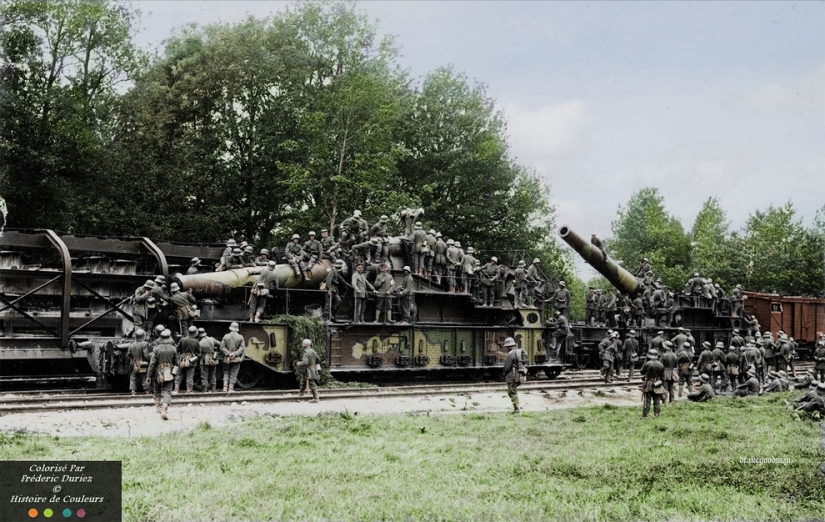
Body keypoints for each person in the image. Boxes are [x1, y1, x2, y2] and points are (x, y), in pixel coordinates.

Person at [145, 329, 176, 420]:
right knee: (167, 391)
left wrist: (148, 376)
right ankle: (164, 408)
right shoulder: (173, 349)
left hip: (158, 372)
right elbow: (177, 364)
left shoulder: (156, 349)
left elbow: (152, 364)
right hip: (168, 372)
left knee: (157, 389)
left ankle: (158, 407)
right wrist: (173, 374)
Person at [502, 337, 527, 413]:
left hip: (512, 375)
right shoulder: (519, 352)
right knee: (513, 391)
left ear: (509, 346)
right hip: (519, 375)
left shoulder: (511, 354)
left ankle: (517, 409)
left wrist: (504, 374)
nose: (506, 348)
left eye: (506, 347)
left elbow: (507, 367)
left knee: (512, 391)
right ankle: (516, 407)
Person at [174, 325, 201, 394]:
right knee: (190, 376)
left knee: (179, 375)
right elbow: (199, 353)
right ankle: (189, 390)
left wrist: (179, 357)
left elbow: (177, 349)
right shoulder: (196, 341)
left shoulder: (182, 339)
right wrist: (195, 358)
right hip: (191, 360)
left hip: (182, 359)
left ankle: (176, 390)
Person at [220, 322, 245, 393]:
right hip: (236, 358)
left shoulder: (226, 336)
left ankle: (224, 388)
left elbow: (222, 347)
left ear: (230, 328)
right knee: (233, 373)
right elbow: (242, 348)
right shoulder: (240, 337)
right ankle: (231, 389)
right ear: (237, 329)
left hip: (227, 358)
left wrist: (229, 354)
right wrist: (235, 354)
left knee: (226, 372)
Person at [640, 349, 665, 418]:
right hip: (657, 383)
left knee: (647, 401)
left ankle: (645, 415)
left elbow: (641, 372)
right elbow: (663, 377)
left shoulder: (647, 364)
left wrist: (645, 362)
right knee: (657, 400)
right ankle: (657, 414)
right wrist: (661, 385)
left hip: (648, 384)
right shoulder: (661, 365)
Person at [295, 338, 320, 403]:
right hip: (312, 369)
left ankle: (316, 398)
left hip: (308, 370)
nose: (302, 344)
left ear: (305, 345)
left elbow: (305, 362)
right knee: (303, 380)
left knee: (311, 383)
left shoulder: (306, 352)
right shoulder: (313, 351)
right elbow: (318, 359)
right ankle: (301, 394)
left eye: (303, 343)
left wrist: (299, 363)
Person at [127, 329, 150, 396]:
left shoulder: (131, 345)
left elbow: (128, 356)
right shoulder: (144, 344)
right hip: (142, 363)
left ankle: (133, 391)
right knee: (144, 377)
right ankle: (147, 391)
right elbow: (146, 355)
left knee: (133, 377)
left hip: (134, 363)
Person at [198, 327, 219, 393]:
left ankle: (204, 389)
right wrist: (216, 353)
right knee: (212, 374)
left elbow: (199, 354)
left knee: (204, 375)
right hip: (213, 358)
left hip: (204, 360)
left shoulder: (200, 343)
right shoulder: (212, 339)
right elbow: (220, 345)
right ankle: (213, 388)